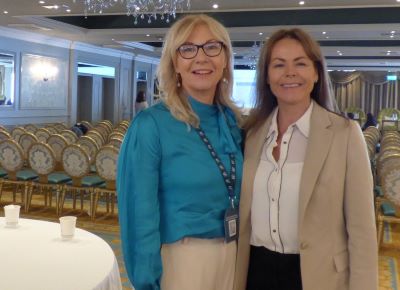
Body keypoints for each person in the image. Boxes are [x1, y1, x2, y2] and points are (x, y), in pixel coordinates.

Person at [234, 28, 377, 290]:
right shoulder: (252, 134)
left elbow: (362, 232)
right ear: (266, 76)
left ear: (316, 73)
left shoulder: (345, 134)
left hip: (318, 277)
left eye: (300, 63)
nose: (290, 73)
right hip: (256, 272)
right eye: (278, 65)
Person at [118, 14, 243, 290]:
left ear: (225, 60)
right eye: (187, 49)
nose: (201, 58)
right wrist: (147, 280)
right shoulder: (151, 124)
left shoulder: (234, 122)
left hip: (235, 256)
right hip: (182, 262)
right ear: (174, 63)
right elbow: (139, 215)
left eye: (212, 47)